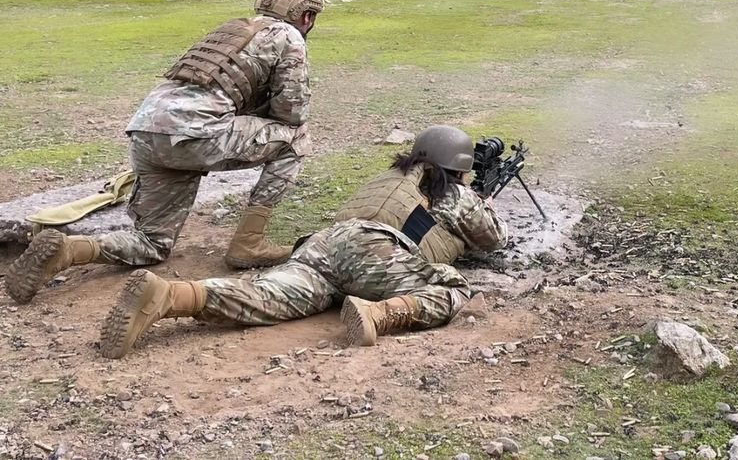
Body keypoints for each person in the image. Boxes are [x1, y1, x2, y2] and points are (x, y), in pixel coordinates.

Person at [5, 0, 324, 304]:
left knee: (152, 243)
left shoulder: (233, 30)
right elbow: (292, 113)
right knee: (295, 139)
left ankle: (68, 249)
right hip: (196, 135)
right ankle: (249, 242)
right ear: (306, 15)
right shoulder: (289, 36)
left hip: (146, 132)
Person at [97, 125, 507, 359]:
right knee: (453, 289)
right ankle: (380, 314)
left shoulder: (388, 178)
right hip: (376, 254)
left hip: (324, 245)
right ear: (460, 169)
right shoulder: (457, 195)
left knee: (267, 295)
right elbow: (495, 240)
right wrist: (483, 202)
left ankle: (170, 296)